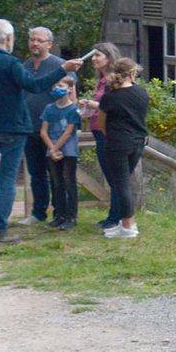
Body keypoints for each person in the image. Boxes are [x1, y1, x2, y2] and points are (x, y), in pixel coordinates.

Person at [0, 19, 83, 246]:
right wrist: (62, 69)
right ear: (8, 39)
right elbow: (36, 86)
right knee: (7, 181)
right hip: (13, 128)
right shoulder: (11, 63)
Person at [92, 57, 150, 240]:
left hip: (117, 143)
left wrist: (112, 136)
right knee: (124, 183)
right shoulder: (142, 93)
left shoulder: (110, 97)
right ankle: (125, 223)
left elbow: (101, 123)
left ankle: (127, 225)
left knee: (121, 184)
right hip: (138, 142)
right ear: (132, 73)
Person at [21, 26, 66, 225]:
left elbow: (69, 94)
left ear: (50, 44)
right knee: (35, 172)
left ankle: (60, 212)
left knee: (56, 173)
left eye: (39, 40)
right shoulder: (25, 65)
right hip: (29, 126)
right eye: (32, 39)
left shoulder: (60, 65)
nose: (35, 43)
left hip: (53, 130)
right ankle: (38, 212)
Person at [79, 42, 122, 229]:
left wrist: (91, 104)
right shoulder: (101, 79)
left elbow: (114, 105)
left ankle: (116, 218)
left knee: (115, 177)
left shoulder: (114, 80)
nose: (94, 59)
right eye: (93, 55)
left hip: (109, 132)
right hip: (98, 129)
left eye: (98, 55)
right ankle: (115, 216)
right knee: (111, 176)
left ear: (109, 57)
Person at [38, 76, 84, 230]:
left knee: (69, 183)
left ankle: (71, 217)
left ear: (70, 88)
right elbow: (44, 131)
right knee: (56, 184)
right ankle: (59, 215)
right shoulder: (49, 109)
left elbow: (68, 132)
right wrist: (52, 149)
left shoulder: (73, 110)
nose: (57, 88)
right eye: (55, 86)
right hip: (51, 150)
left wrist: (55, 148)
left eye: (61, 85)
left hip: (68, 150)